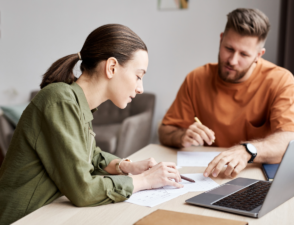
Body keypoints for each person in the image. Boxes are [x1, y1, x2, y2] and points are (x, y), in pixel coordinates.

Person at [0, 24, 183, 225]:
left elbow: (90, 155)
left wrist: (127, 167)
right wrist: (145, 181)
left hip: (52, 213)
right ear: (111, 67)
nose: (140, 88)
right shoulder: (60, 100)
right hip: (24, 219)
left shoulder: (78, 105)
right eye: (138, 76)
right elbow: (83, 190)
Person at [159, 8, 294, 179]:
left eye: (244, 54)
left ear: (258, 55)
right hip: (212, 174)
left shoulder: (281, 81)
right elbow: (165, 131)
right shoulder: (196, 78)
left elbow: (290, 140)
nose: (232, 60)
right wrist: (182, 136)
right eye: (229, 48)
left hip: (258, 176)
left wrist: (247, 150)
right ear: (221, 39)